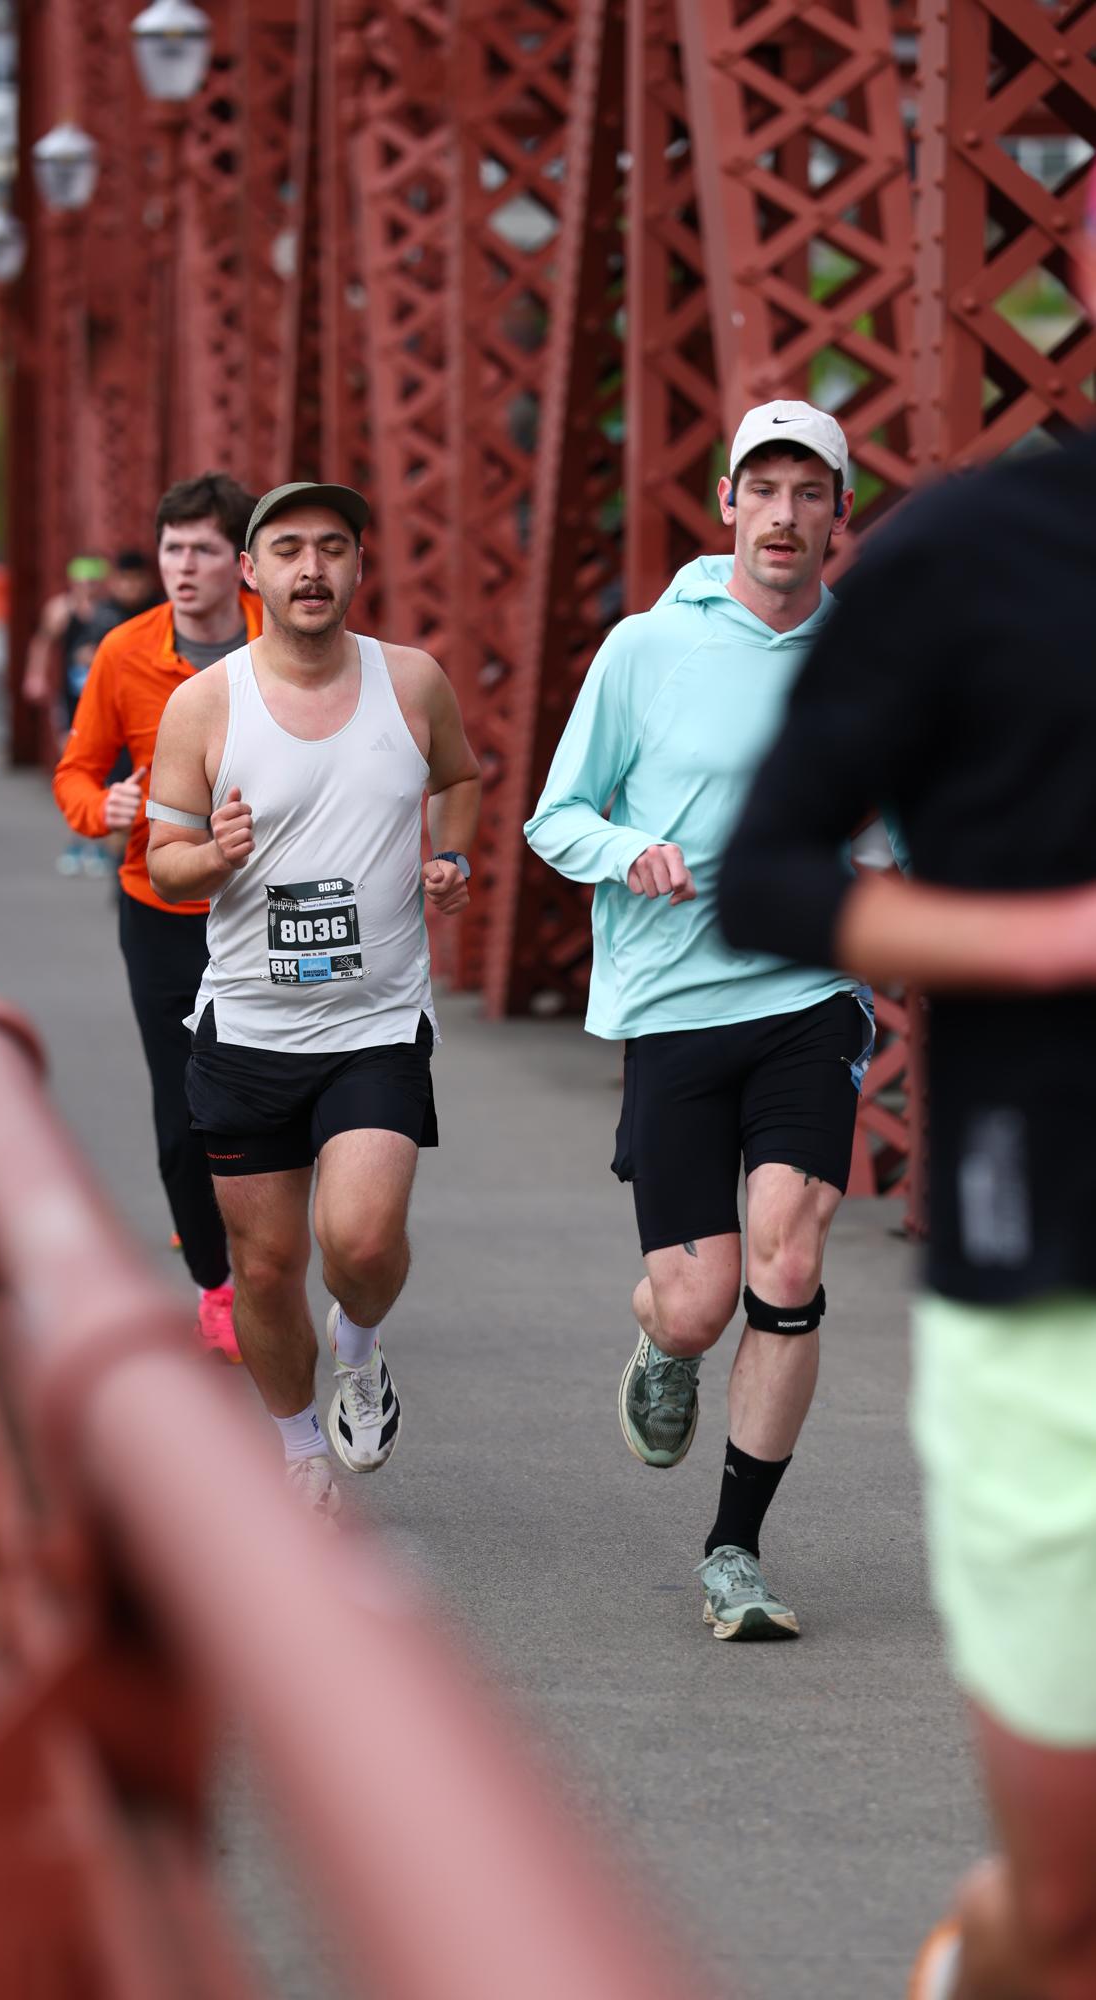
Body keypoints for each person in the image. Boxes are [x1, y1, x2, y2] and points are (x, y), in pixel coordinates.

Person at [717, 235, 1096, 2000]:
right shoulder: (971, 552)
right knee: (1067, 1908)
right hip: (1054, 1275)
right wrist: (1044, 942)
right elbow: (769, 875)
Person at [525, 403, 871, 1641]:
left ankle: (735, 1549)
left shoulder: (870, 658)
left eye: (808, 492)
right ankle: (663, 1341)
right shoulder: (644, 647)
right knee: (696, 1300)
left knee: (790, 1257)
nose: (783, 514)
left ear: (840, 514)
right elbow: (556, 815)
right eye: (761, 488)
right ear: (726, 502)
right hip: (671, 1005)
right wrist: (629, 850)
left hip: (806, 995)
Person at [145, 480, 481, 1523]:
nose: (311, 568)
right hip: (248, 1026)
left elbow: (458, 778)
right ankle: (297, 1449)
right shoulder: (205, 703)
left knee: (362, 1242)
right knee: (265, 1265)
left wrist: (453, 857)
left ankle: (360, 1345)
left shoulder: (410, 680)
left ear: (357, 566)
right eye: (288, 549)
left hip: (376, 1021)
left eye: (332, 547)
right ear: (252, 572)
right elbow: (163, 865)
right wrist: (215, 853)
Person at [53, 472, 261, 1361]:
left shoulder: (284, 643)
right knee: (184, 1119)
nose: (183, 565)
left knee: (273, 1107)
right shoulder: (124, 652)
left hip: (269, 909)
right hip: (162, 907)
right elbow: (74, 772)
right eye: (172, 547)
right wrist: (98, 808)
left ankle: (265, 1257)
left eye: (203, 549)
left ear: (240, 563)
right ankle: (216, 1285)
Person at [24, 554, 122, 874]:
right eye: (81, 582)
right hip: (71, 701)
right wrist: (35, 676)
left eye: (92, 582)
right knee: (74, 768)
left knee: (106, 771)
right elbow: (42, 643)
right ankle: (77, 841)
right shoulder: (61, 610)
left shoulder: (110, 612)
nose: (86, 588)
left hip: (104, 700)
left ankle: (100, 845)